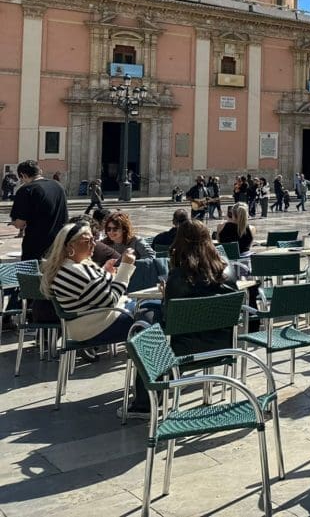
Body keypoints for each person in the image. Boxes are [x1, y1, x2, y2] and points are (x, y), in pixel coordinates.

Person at [126, 220, 241, 418]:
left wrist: (165, 295)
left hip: (181, 351)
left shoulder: (179, 276)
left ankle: (145, 404)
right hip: (223, 346)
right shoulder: (227, 271)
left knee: (146, 331)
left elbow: (169, 317)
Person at [40, 220, 140, 412]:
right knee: (151, 316)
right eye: (87, 241)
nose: (94, 243)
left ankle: (150, 384)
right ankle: (152, 384)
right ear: (70, 246)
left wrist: (106, 273)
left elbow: (95, 291)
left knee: (151, 311)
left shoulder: (74, 266)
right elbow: (110, 299)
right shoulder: (73, 271)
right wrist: (126, 267)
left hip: (94, 321)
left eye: (93, 239)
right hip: (96, 326)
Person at [10, 159, 69, 262]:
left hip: (36, 245)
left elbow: (20, 223)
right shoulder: (58, 186)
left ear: (23, 175)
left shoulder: (26, 190)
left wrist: (14, 223)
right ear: (40, 171)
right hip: (58, 243)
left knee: (32, 272)